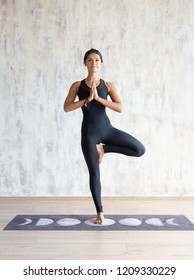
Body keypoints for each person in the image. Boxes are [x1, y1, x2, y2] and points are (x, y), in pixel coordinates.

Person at [64, 48, 145, 224]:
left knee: (139, 149)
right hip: (89, 134)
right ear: (85, 63)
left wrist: (98, 99)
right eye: (90, 60)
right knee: (94, 173)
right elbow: (67, 107)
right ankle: (100, 212)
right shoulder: (77, 86)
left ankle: (104, 149)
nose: (94, 63)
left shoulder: (108, 86)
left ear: (101, 64)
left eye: (97, 60)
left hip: (107, 129)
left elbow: (120, 107)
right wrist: (86, 99)